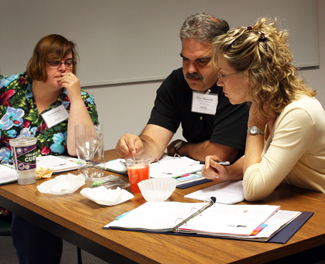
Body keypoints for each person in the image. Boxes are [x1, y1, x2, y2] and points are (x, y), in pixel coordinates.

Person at [0, 34, 99, 263]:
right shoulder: (9, 88)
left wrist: (75, 98)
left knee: (36, 210)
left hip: (53, 188)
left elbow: (82, 150)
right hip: (9, 186)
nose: (63, 69)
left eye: (69, 62)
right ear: (38, 62)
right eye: (55, 62)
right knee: (30, 212)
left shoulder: (81, 99)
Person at [202, 18, 325, 201]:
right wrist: (227, 172)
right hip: (301, 199)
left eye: (223, 74)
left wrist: (255, 126)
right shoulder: (271, 101)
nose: (219, 83)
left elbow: (253, 191)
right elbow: (266, 158)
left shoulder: (298, 113)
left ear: (251, 75)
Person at [115, 13, 249, 163]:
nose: (190, 69)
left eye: (202, 61)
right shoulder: (176, 82)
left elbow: (221, 154)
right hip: (199, 176)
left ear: (222, 56)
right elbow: (154, 142)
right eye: (185, 59)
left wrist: (182, 148)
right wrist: (137, 148)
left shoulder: (236, 83)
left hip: (241, 179)